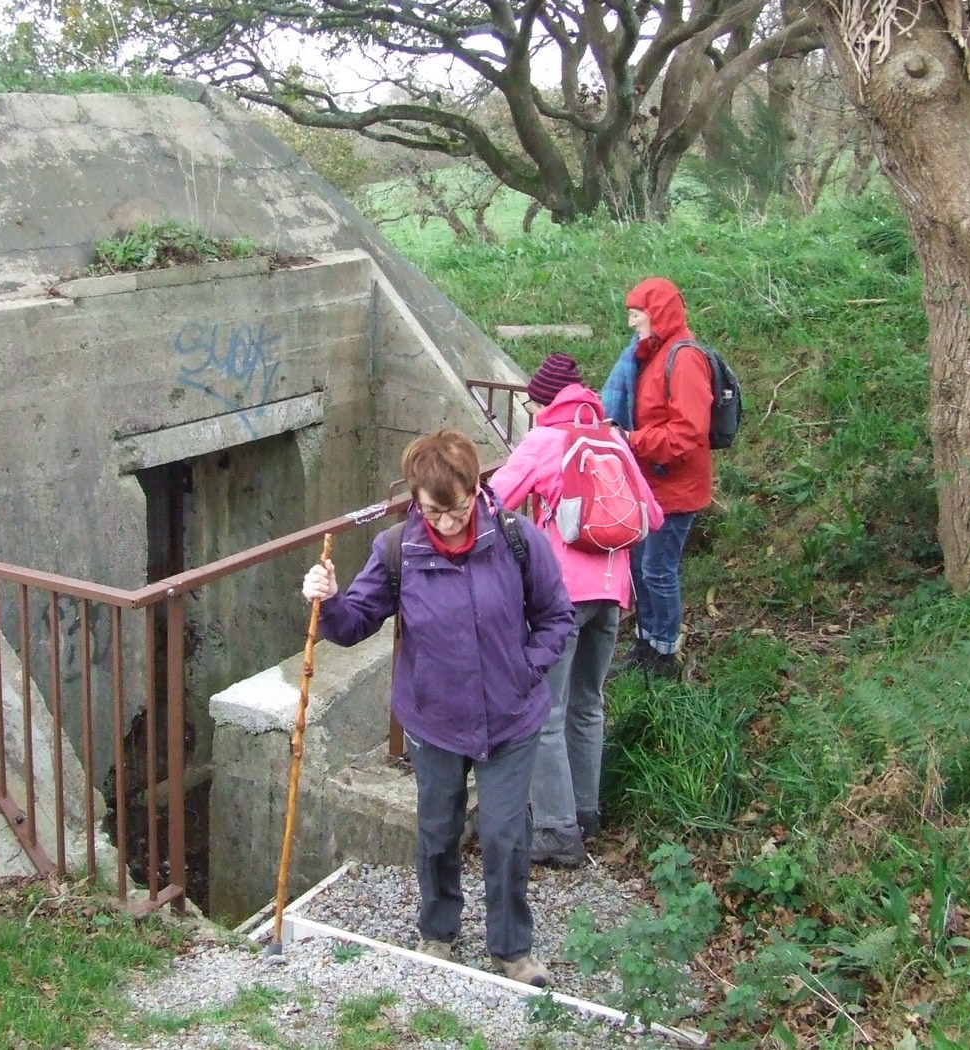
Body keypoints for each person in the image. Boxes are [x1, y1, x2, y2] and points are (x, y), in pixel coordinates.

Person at [300, 429, 574, 987]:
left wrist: (525, 669)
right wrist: (326, 602)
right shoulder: (399, 548)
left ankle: (512, 950)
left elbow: (557, 617)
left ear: (477, 490)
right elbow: (354, 624)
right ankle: (438, 931)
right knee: (437, 828)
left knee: (504, 833)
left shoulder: (518, 539)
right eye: (433, 512)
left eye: (457, 509)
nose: (447, 523)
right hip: (435, 719)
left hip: (510, 717)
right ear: (416, 501)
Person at [489, 353, 662, 867]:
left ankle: (557, 831)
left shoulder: (544, 441)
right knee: (588, 705)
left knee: (544, 713)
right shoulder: (611, 438)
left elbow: (494, 500)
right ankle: (586, 812)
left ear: (542, 400)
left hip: (559, 599)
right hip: (613, 594)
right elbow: (650, 514)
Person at [615, 277, 714, 679]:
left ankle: (664, 654)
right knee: (640, 566)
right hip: (651, 483)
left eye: (636, 314)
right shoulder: (652, 355)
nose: (631, 323)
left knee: (658, 568)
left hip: (675, 487)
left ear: (658, 314)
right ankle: (646, 642)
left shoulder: (685, 359)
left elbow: (688, 433)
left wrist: (631, 440)